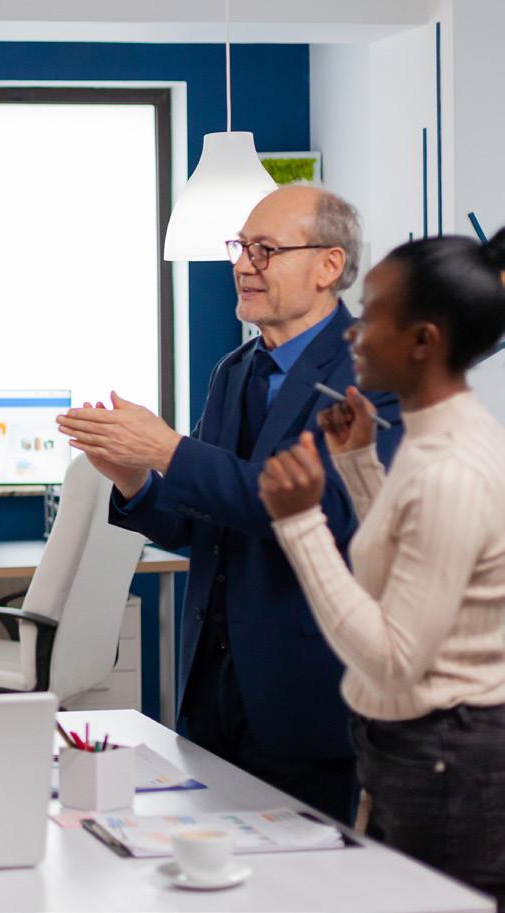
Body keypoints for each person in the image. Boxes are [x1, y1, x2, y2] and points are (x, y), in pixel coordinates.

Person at [57, 185, 402, 823]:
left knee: (303, 870)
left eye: (265, 250)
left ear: (328, 265)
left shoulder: (373, 372)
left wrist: (170, 452)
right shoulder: (233, 370)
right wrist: (134, 479)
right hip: (210, 689)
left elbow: (326, 516)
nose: (243, 265)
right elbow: (200, 524)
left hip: (304, 687)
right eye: (240, 248)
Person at [259, 230, 505, 904]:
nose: (353, 334)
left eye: (370, 317)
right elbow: (407, 562)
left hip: (446, 762)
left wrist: (300, 523)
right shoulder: (433, 442)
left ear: (423, 341)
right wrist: (358, 465)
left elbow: (394, 658)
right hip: (423, 754)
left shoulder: (449, 469)